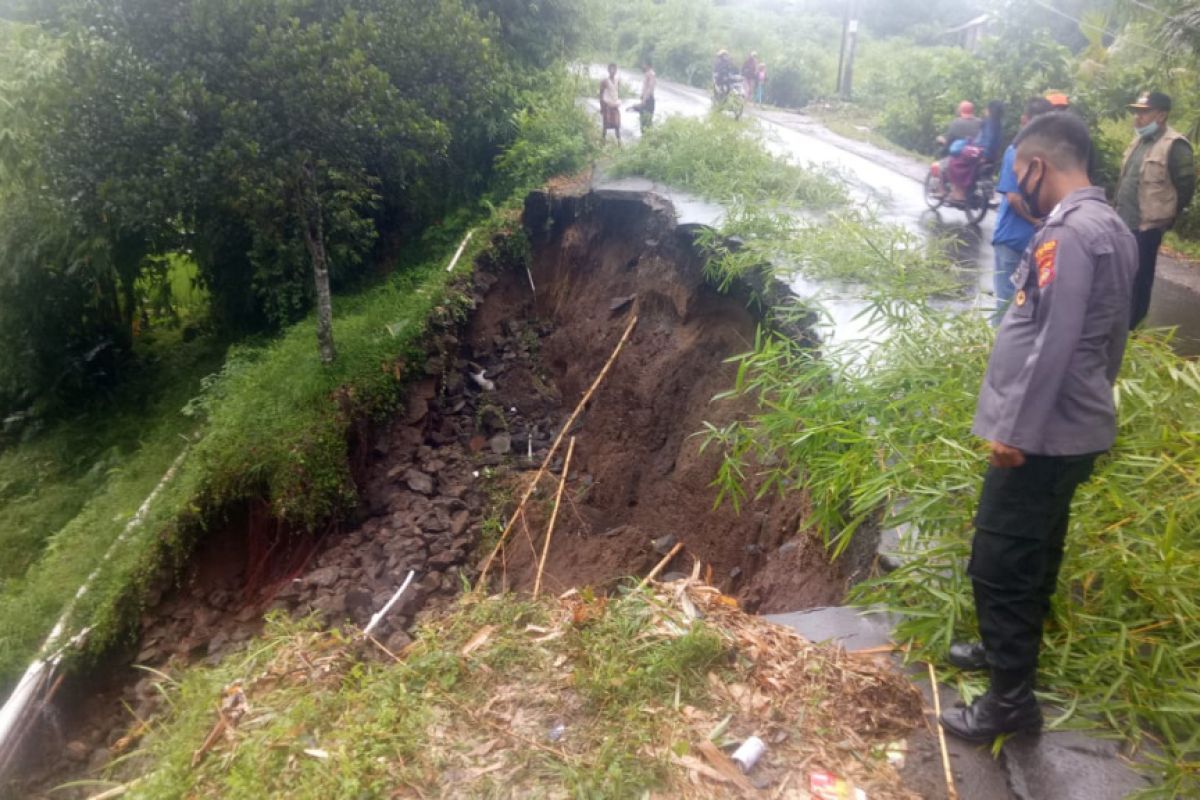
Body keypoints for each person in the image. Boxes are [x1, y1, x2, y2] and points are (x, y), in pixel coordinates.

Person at [941, 112, 1139, 743]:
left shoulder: (1070, 234)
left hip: (1043, 436)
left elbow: (1053, 337)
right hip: (1074, 426)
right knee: (1038, 549)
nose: (1014, 183)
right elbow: (1110, 337)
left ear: (1037, 166)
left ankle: (1010, 702)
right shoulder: (1113, 225)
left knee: (999, 559)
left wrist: (1017, 433)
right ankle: (1007, 658)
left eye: (1016, 170)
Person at [1115, 91, 1195, 328]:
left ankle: (1131, 330)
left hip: (1147, 227)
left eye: (1144, 112)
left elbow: (1185, 186)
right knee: (1119, 276)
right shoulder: (1138, 141)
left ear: (1161, 115)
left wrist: (1166, 216)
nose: (1137, 118)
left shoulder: (1175, 145)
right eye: (1137, 112)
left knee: (1139, 280)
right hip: (1122, 221)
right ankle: (1115, 324)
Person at [991, 97, 1054, 307]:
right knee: (1016, 305)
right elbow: (1015, 199)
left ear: (1024, 120)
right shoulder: (1028, 154)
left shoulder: (1020, 153)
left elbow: (1014, 198)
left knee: (1010, 304)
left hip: (1024, 241)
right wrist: (1038, 222)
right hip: (1020, 241)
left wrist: (1037, 222)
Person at [599, 63, 621, 145]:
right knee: (605, 125)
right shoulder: (604, 81)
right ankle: (602, 142)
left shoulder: (617, 80)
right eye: (611, 69)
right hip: (607, 105)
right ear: (608, 70)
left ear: (616, 70)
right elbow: (601, 94)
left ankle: (619, 143)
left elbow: (617, 92)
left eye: (614, 69)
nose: (613, 71)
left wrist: (617, 102)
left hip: (615, 105)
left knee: (617, 125)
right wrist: (601, 107)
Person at [977, 100, 1005, 166]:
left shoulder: (989, 122)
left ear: (990, 110)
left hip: (984, 156)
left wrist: (984, 156)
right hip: (993, 156)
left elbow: (989, 138)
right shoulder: (998, 123)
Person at [636, 61, 656, 133]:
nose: (642, 66)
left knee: (646, 120)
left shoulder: (651, 74)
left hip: (648, 100)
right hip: (646, 99)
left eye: (644, 64)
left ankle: (647, 138)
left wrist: (644, 99)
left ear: (648, 65)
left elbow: (650, 88)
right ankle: (645, 137)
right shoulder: (647, 74)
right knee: (643, 120)